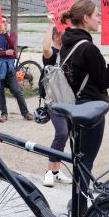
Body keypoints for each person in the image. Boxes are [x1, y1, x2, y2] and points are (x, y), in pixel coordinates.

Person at [59, 0, 109, 216]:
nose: (99, 19)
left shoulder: (66, 42)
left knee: (78, 158)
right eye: (96, 15)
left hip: (72, 107)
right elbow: (106, 80)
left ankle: (76, 201)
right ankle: (80, 207)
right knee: (86, 161)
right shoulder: (88, 48)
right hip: (90, 111)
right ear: (85, 18)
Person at [41, 17, 72, 187]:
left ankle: (56, 170)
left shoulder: (69, 51)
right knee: (61, 133)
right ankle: (48, 171)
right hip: (54, 101)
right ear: (56, 37)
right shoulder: (51, 54)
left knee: (65, 134)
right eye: (62, 34)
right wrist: (51, 24)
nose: (66, 35)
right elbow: (45, 47)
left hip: (68, 100)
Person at [0, 16, 32, 122]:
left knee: (17, 91)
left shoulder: (11, 35)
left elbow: (12, 49)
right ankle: (4, 114)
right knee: (0, 91)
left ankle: (25, 113)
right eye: (2, 21)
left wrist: (4, 34)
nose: (4, 23)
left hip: (9, 68)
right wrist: (4, 53)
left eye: (5, 21)